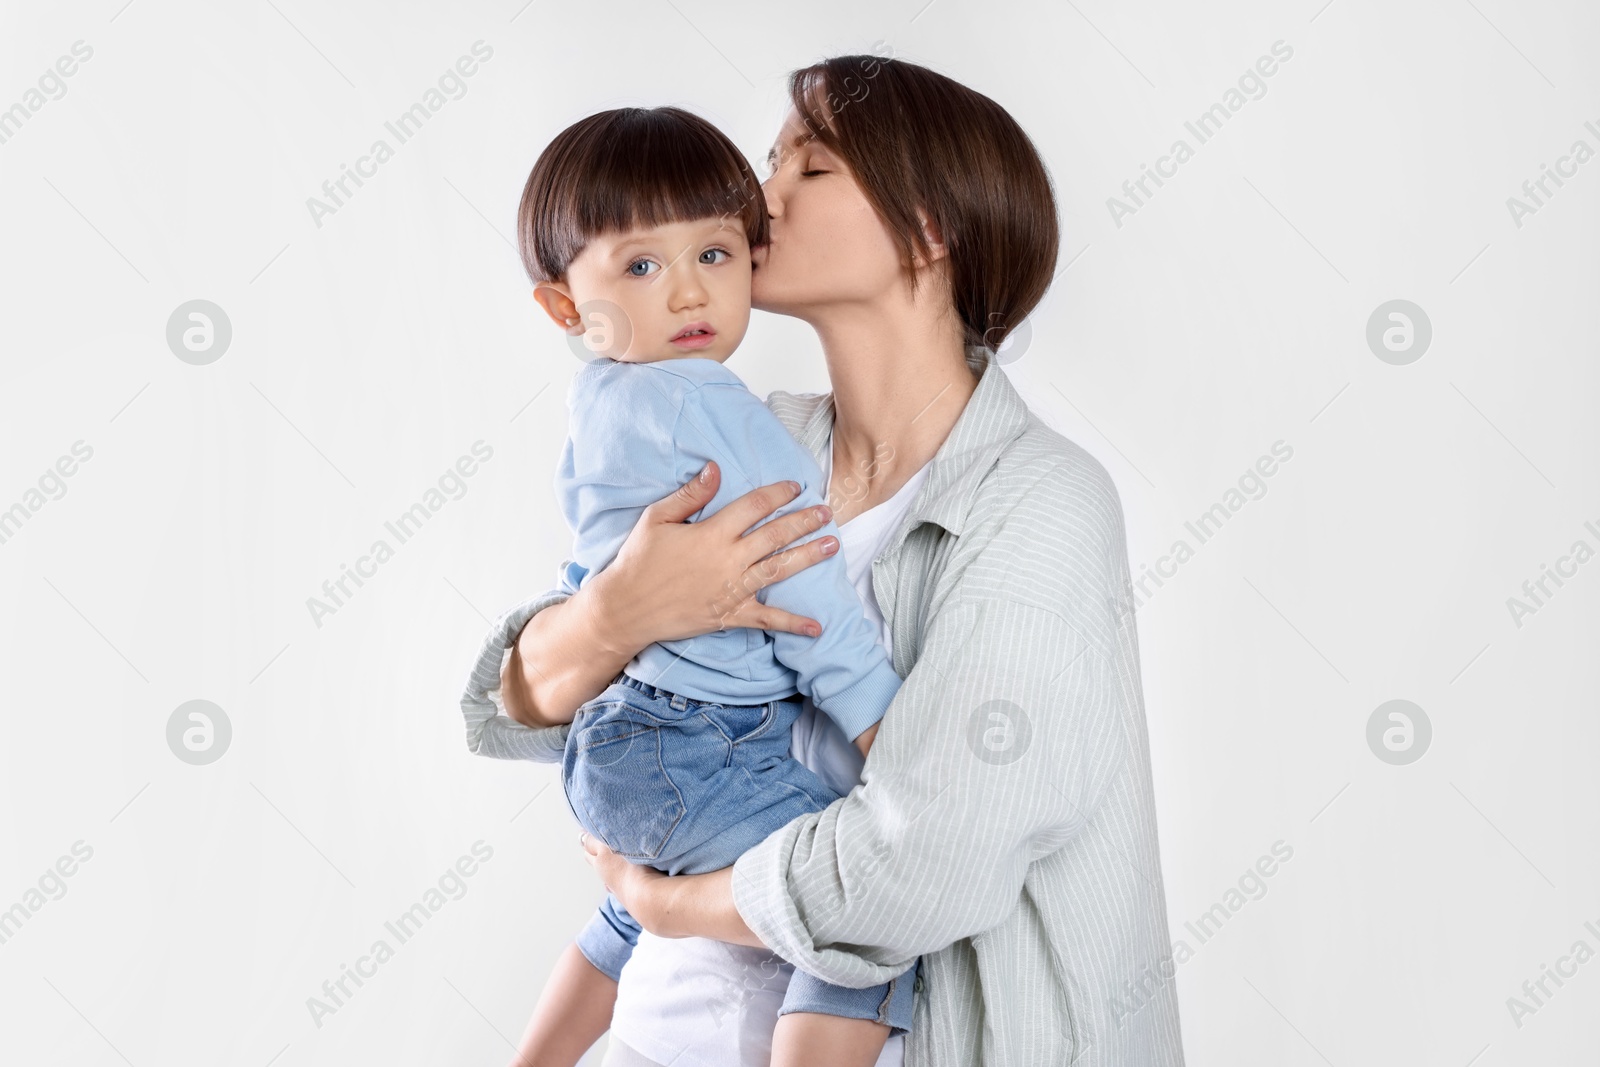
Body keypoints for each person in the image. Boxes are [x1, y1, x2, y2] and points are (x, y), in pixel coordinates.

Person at [462, 53, 1186, 1066]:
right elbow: (509, 713)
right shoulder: (744, 442)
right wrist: (610, 618)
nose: (757, 199)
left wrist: (660, 900)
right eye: (767, 163)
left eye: (808, 169)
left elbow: (923, 863)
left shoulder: (1039, 502)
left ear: (926, 228)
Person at [461, 104, 918, 1065]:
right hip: (698, 739)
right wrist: (885, 729)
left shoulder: (602, 403)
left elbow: (581, 585)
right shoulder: (714, 403)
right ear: (561, 305)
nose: (685, 292)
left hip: (612, 740)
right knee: (861, 919)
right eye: (640, 265)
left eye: (713, 254)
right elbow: (806, 589)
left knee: (639, 908)